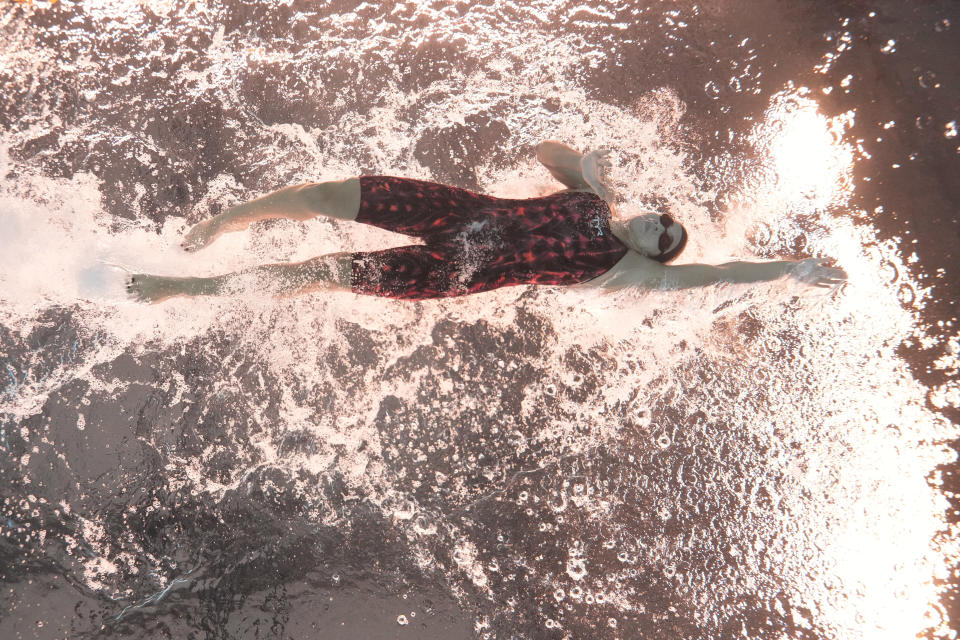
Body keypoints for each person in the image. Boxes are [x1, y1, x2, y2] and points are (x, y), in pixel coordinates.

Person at [126, 140, 846, 303]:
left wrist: (791, 268)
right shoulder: (598, 203)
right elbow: (543, 149)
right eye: (663, 220)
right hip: (455, 210)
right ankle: (227, 219)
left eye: (666, 241)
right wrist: (583, 164)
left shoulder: (623, 271)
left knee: (316, 275)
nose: (659, 228)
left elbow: (718, 274)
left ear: (655, 260)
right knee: (321, 195)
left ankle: (179, 290)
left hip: (454, 272)